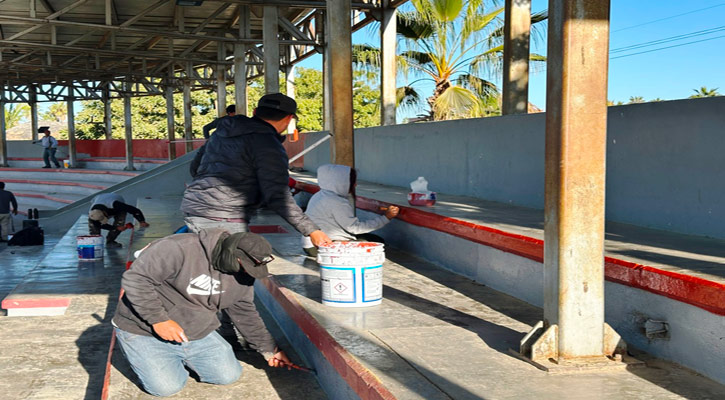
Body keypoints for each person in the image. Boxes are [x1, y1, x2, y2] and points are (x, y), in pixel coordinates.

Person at [112, 229, 291, 397]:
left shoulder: (244, 272)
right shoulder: (178, 248)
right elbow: (136, 279)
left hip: (195, 330)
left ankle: (177, 357)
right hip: (144, 329)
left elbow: (244, 311)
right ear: (231, 254)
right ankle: (141, 352)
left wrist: (269, 348)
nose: (246, 272)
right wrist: (159, 320)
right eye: (244, 266)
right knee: (166, 388)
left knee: (227, 375)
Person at [181, 93, 332, 248]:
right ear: (289, 118)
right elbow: (277, 196)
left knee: (207, 264)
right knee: (229, 267)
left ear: (254, 112)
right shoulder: (269, 145)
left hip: (194, 208)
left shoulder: (221, 132)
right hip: (225, 217)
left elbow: (195, 168)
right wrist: (312, 230)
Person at [302, 164, 399, 256]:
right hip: (320, 247)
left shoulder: (320, 195)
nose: (355, 185)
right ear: (341, 183)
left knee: (374, 239)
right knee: (377, 243)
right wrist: (386, 218)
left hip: (309, 245)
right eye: (352, 182)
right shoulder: (337, 201)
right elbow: (354, 228)